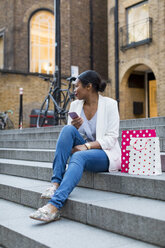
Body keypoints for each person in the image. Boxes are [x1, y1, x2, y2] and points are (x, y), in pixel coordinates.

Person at [30, 70, 121, 222]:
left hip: (106, 153)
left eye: (77, 86)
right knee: (68, 129)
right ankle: (55, 183)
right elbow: (69, 138)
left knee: (79, 155)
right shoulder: (75, 105)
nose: (74, 90)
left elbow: (111, 138)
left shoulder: (110, 105)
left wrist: (87, 146)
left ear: (89, 87)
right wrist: (76, 127)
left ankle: (54, 206)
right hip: (84, 150)